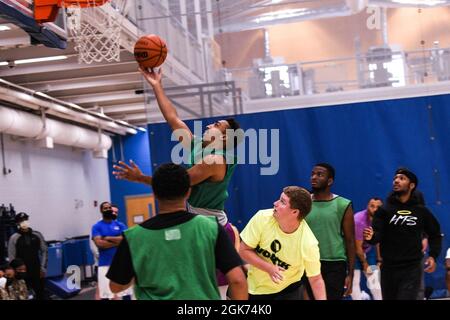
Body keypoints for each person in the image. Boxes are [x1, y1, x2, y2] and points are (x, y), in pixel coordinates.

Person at [112, 67, 242, 297]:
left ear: (224, 138)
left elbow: (176, 185)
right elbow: (172, 117)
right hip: (194, 221)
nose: (211, 124)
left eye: (218, 125)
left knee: (216, 291)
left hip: (211, 226)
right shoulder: (198, 146)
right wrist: (156, 85)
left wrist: (140, 177)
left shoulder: (214, 160)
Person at [106, 163, 248, 300]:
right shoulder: (211, 228)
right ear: (188, 192)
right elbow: (238, 281)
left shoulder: (133, 237)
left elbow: (115, 287)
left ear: (154, 193)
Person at [364, 167, 442, 300]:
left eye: (402, 178)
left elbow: (435, 234)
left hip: (411, 267)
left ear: (411, 185)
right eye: (395, 178)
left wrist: (433, 256)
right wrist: (371, 237)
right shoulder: (384, 210)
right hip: (388, 267)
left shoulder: (421, 211)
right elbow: (377, 235)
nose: (396, 181)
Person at [239, 186, 326, 300]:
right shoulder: (262, 217)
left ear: (295, 212)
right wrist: (269, 268)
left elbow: (315, 279)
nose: (275, 203)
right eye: (279, 199)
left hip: (289, 289)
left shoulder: (308, 243)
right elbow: (244, 250)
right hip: (256, 288)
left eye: (282, 202)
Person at [303, 163, 355, 300]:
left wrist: (351, 274)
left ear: (330, 181)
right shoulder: (304, 203)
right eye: (313, 174)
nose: (314, 177)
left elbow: (350, 241)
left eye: (319, 174)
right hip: (307, 262)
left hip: (335, 265)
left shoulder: (343, 204)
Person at [91, 202, 128, 300]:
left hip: (119, 263)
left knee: (119, 294)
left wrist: (106, 238)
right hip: (104, 264)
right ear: (101, 210)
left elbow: (126, 239)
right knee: (105, 294)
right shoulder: (97, 226)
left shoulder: (119, 225)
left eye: (109, 208)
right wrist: (117, 241)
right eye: (105, 208)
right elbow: (99, 244)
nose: (108, 210)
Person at [7, 212, 47, 300]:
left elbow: (44, 251)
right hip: (22, 272)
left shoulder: (37, 235)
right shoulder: (14, 238)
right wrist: (16, 273)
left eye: (25, 220)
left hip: (37, 270)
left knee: (40, 293)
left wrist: (43, 268)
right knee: (25, 295)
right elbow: (11, 257)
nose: (24, 222)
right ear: (18, 223)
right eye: (21, 221)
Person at [351, 197, 383, 300]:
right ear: (367, 206)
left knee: (374, 281)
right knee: (355, 280)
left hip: (369, 250)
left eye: (378, 207)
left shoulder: (381, 219)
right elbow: (357, 247)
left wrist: (379, 258)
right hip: (353, 251)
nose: (375, 209)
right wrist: (365, 264)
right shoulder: (359, 220)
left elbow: (378, 240)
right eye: (372, 206)